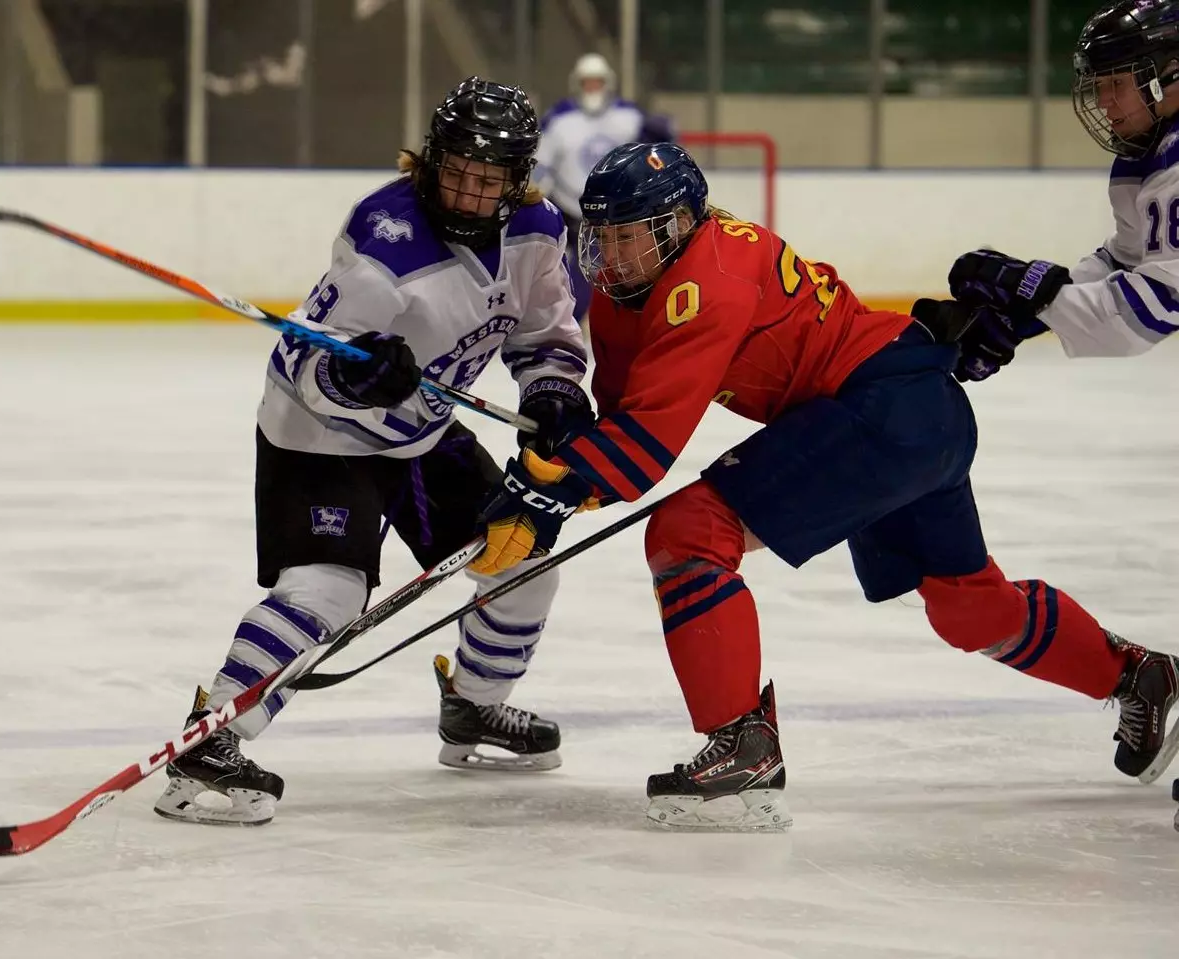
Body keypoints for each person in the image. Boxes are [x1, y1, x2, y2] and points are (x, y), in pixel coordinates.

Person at [469, 141, 1179, 832]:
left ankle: (740, 743)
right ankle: (1137, 676)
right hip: (902, 407)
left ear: (681, 223)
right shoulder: (636, 288)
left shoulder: (708, 277)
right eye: (603, 237)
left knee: (689, 532)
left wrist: (547, 492)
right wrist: (559, 449)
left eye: (631, 236)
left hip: (884, 409)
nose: (614, 255)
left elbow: (647, 443)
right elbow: (623, 416)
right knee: (968, 608)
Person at [154, 78, 591, 825]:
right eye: (453, 169)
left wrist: (551, 390)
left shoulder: (538, 231)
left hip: (422, 432)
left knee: (522, 560)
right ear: (430, 158)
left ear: (517, 180)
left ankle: (474, 709)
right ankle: (213, 739)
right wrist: (353, 373)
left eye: (487, 180)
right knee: (328, 590)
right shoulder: (385, 235)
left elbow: (544, 333)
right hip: (321, 435)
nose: (465, 190)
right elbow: (300, 363)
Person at [948, 0, 1179, 379]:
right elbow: (1128, 259)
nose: (1103, 102)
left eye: (1116, 83)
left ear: (1169, 74)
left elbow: (1154, 308)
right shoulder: (1145, 156)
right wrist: (1027, 315)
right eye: (1100, 85)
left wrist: (1033, 291)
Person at [535, 53, 676, 321]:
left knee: (609, 271)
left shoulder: (629, 115)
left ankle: (602, 321)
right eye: (587, 82)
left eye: (597, 82)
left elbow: (653, 152)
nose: (592, 88)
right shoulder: (558, 119)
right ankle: (570, 324)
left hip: (615, 212)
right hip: (568, 207)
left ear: (607, 83)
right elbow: (541, 164)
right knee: (564, 273)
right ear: (577, 83)